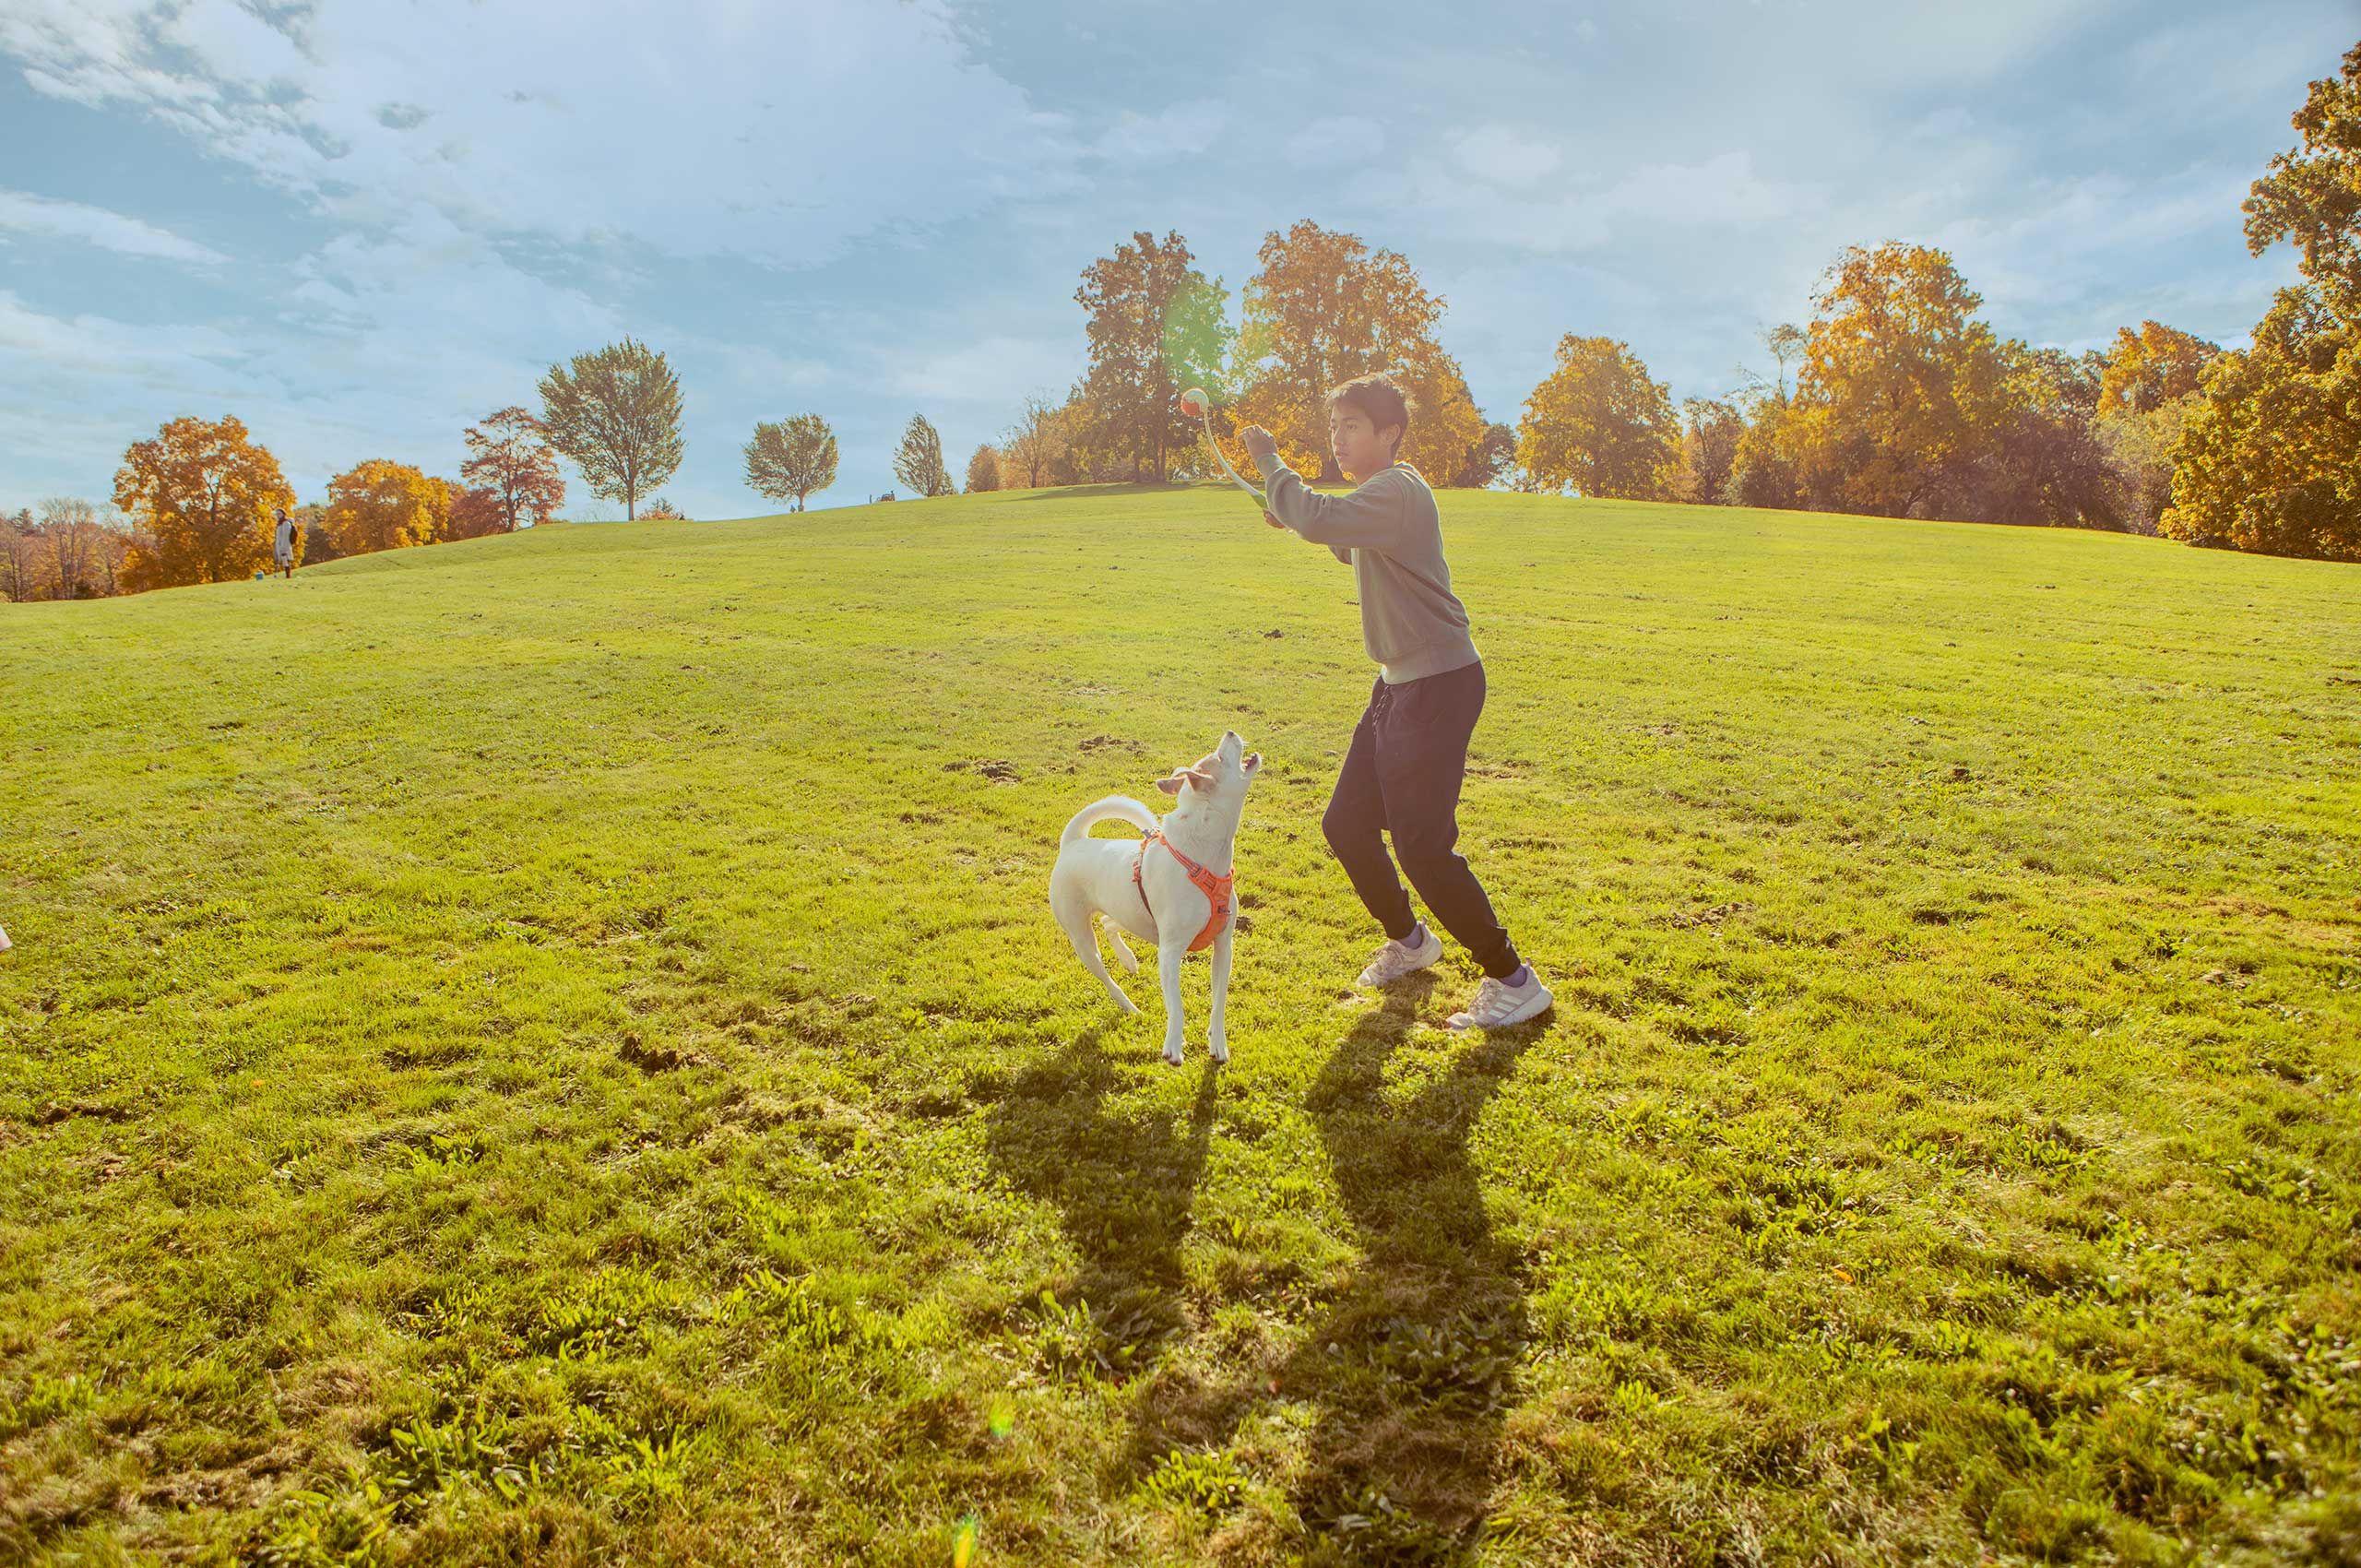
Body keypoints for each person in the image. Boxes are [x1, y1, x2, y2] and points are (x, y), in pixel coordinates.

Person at [1239, 374, 1552, 1030]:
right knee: (1346, 825)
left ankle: (1513, 980)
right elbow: (1340, 538)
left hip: (1438, 684)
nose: (1339, 439)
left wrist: (1272, 463)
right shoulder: (1377, 499)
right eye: (1335, 427)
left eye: (1352, 427)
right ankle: (1412, 943)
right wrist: (1300, 517)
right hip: (1397, 685)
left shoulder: (1399, 489)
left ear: (1390, 433)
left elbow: (1321, 515)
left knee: (1422, 846)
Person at [272, 505, 296, 579]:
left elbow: (286, 536)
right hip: (280, 545)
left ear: (283, 514)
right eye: (277, 514)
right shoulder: (279, 524)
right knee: (283, 561)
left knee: (286, 561)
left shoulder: (286, 523)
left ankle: (288, 576)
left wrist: (283, 547)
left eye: (279, 514)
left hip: (285, 545)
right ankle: (287, 576)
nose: (278, 515)